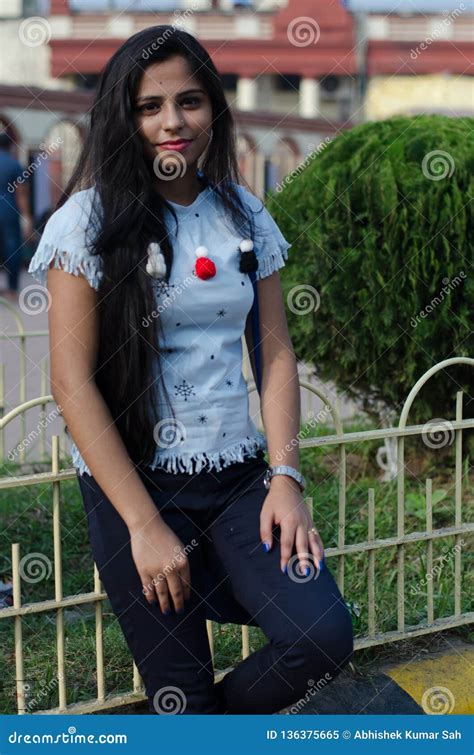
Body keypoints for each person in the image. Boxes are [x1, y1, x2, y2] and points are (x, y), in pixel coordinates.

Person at [27, 25, 353, 715]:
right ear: (124, 115)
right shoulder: (85, 223)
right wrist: (145, 526)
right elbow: (70, 381)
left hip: (237, 483)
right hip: (134, 488)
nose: (173, 121)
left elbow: (276, 353)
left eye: (190, 100)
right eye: (150, 106)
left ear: (214, 109)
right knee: (184, 699)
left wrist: (286, 478)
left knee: (320, 636)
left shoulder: (243, 214)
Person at [0, 131, 34, 301]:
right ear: (10, 146)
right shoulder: (14, 165)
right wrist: (27, 217)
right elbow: (21, 193)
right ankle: (12, 289)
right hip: (8, 211)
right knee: (12, 249)